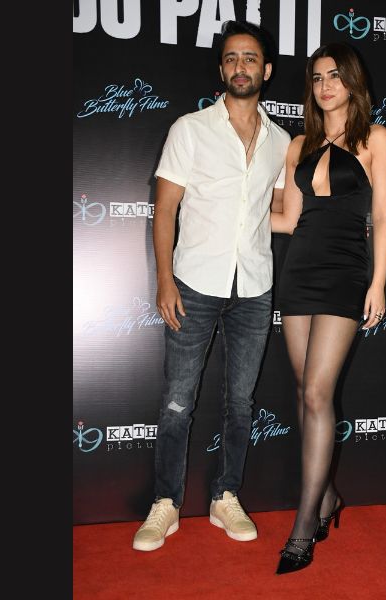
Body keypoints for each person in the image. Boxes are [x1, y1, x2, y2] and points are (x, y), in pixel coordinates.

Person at [132, 20, 291, 552]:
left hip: (255, 287)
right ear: (221, 70)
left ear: (266, 70)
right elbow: (165, 209)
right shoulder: (190, 129)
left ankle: (226, 496)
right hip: (194, 283)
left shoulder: (281, 142)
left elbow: (276, 213)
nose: (241, 67)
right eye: (231, 58)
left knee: (241, 402)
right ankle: (166, 503)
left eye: (250, 58)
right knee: (178, 401)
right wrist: (164, 280)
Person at [270, 42, 386, 574]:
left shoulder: (375, 139)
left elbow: (383, 217)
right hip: (298, 272)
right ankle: (327, 497)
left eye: (335, 76)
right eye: (318, 78)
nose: (325, 86)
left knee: (319, 392)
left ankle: (304, 525)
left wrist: (378, 284)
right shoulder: (298, 144)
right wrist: (227, 211)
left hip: (345, 273)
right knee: (304, 390)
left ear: (352, 82)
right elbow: (286, 219)